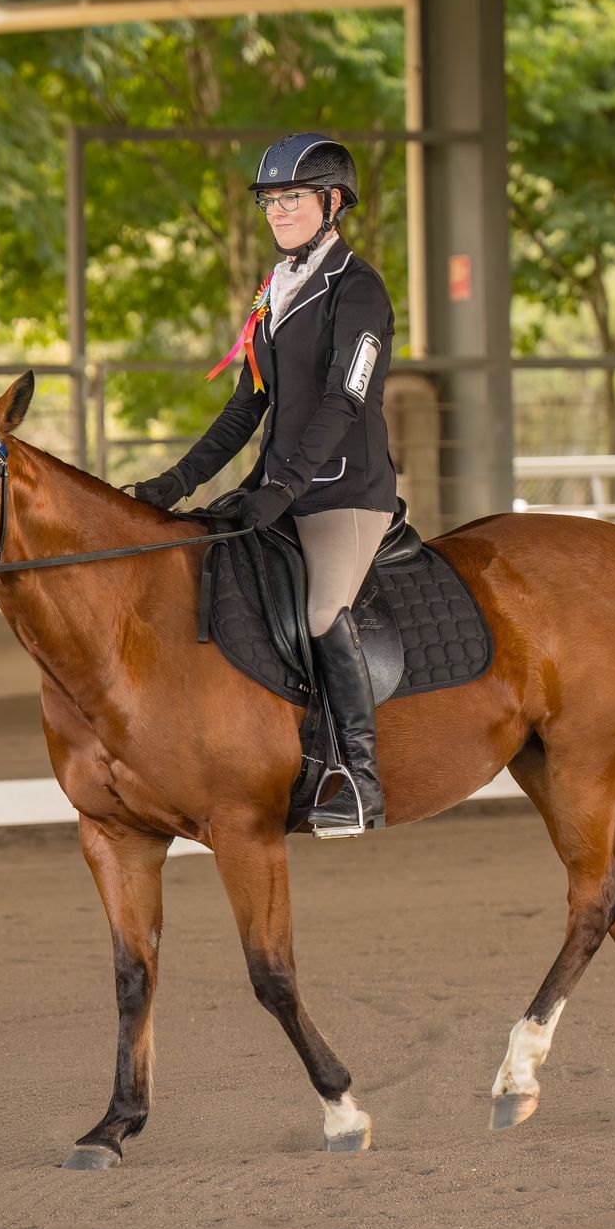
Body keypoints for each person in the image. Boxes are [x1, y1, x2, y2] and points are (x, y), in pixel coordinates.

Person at [130, 134, 397, 836]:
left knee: (319, 613)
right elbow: (247, 405)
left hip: (344, 490)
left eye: (294, 198)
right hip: (278, 488)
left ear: (332, 203)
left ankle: (360, 781)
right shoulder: (276, 290)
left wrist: (283, 486)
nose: (278, 211)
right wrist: (176, 481)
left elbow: (345, 401)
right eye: (271, 200)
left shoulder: (357, 289)